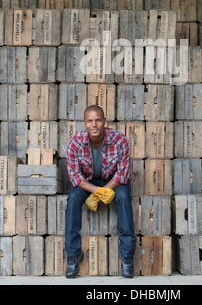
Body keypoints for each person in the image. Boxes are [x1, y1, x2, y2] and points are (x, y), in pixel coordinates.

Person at [65, 105, 137, 279]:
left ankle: (127, 256)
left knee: (124, 197)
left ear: (105, 121)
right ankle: (73, 255)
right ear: (85, 123)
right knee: (73, 198)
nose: (94, 124)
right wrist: (97, 191)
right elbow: (75, 177)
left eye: (98, 120)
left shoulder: (120, 140)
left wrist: (104, 190)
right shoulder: (74, 143)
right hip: (88, 182)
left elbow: (122, 174)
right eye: (90, 121)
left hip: (113, 181)